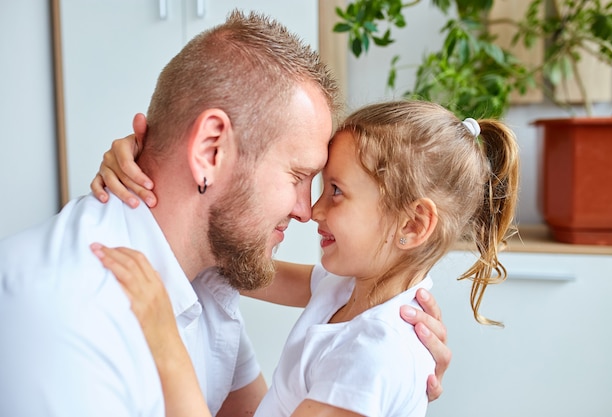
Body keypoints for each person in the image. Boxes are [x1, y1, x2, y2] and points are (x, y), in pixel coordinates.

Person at [0, 10, 449, 417]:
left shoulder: (210, 275)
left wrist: (387, 379)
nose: (306, 210)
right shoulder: (61, 316)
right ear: (211, 150)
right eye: (298, 175)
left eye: (329, 188)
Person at [91, 100, 520, 416]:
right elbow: (243, 270)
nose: (312, 210)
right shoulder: (347, 288)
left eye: (336, 191)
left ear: (411, 225)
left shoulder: (373, 355)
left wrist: (164, 337)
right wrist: (155, 167)